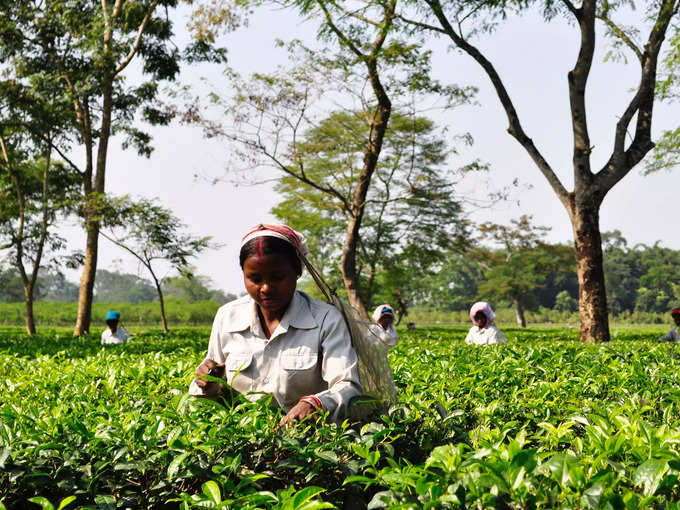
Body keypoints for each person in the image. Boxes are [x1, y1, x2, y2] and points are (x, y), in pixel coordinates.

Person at [189, 224, 362, 425]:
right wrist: (208, 382)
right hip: (243, 440)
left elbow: (348, 385)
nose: (266, 288)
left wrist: (316, 403)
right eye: (255, 278)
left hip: (309, 443)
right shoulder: (227, 317)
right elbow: (215, 392)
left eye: (278, 277)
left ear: (297, 272)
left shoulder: (326, 319)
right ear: (243, 274)